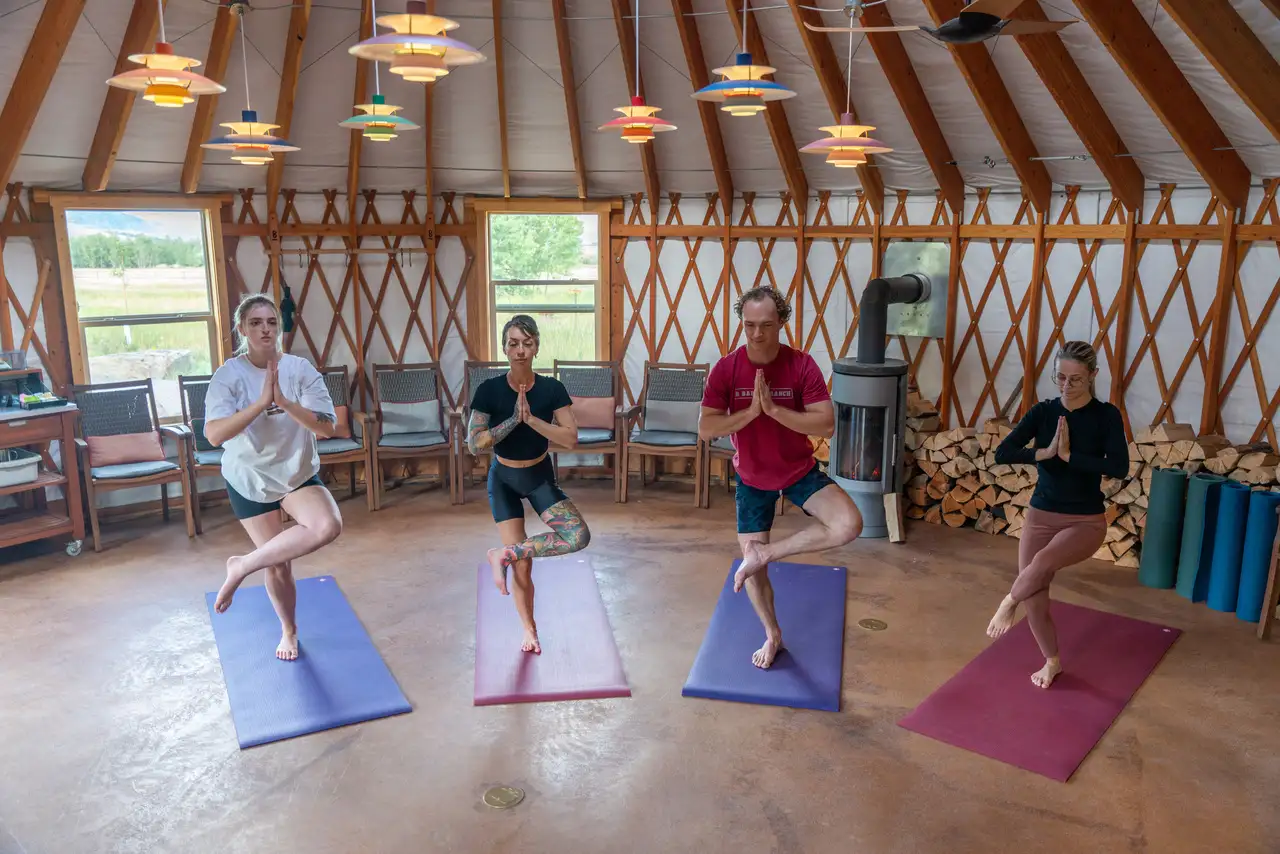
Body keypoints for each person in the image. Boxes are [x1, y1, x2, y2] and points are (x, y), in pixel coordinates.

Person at [699, 286, 863, 670]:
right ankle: (772, 634)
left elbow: (826, 424)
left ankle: (766, 553)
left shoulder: (801, 365)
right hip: (753, 478)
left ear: (782, 323)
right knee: (755, 576)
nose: (757, 334)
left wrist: (773, 410)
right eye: (749, 325)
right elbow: (707, 428)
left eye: (766, 326)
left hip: (798, 471)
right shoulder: (727, 368)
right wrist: (752, 412)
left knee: (850, 524)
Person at [204, 294, 344, 661]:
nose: (265, 329)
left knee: (327, 525)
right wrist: (259, 403)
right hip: (249, 478)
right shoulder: (228, 376)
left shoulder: (300, 369)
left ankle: (243, 565)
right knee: (279, 563)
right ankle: (289, 630)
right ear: (242, 329)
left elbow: (328, 427)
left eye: (271, 322)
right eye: (255, 322)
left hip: (295, 473)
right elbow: (215, 435)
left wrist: (284, 401)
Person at [986, 340, 1128, 688]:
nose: (1066, 386)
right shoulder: (1043, 412)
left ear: (1093, 376)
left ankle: (1007, 600)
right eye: (1060, 377)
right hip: (1041, 514)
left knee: (1041, 564)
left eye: (1076, 379)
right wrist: (1045, 452)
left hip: (1084, 521)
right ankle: (1052, 662)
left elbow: (1120, 467)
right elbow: (1003, 453)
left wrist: (1069, 458)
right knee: (1036, 596)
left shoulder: (1105, 415)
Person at [467, 314, 590, 655]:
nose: (520, 350)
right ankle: (529, 630)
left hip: (539, 477)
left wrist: (533, 420)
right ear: (504, 347)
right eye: (513, 343)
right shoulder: (488, 390)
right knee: (524, 565)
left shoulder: (552, 389)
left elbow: (570, 439)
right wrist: (511, 421)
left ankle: (503, 554)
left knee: (578, 535)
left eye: (527, 343)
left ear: (537, 346)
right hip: (504, 479)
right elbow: (474, 444)